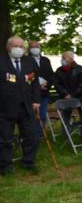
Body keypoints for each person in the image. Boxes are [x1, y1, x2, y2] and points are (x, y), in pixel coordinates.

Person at [0, 36, 41, 174]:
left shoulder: (29, 61)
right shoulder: (1, 61)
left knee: (31, 136)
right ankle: (6, 166)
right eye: (15, 46)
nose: (19, 49)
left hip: (26, 106)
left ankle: (28, 162)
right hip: (5, 108)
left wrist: (36, 100)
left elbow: (35, 83)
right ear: (8, 47)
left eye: (21, 46)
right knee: (6, 139)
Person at [53, 51, 82, 126]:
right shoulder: (59, 70)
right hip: (65, 97)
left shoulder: (81, 70)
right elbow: (57, 83)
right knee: (65, 116)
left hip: (80, 97)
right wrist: (65, 94)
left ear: (71, 59)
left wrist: (72, 95)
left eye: (64, 58)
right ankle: (65, 135)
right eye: (62, 58)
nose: (62, 60)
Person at [28, 40, 54, 137]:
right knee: (32, 116)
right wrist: (36, 85)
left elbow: (51, 75)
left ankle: (39, 135)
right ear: (29, 49)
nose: (35, 49)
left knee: (42, 114)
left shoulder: (45, 60)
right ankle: (31, 135)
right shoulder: (26, 60)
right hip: (31, 93)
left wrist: (47, 84)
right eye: (33, 47)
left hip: (44, 93)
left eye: (37, 46)